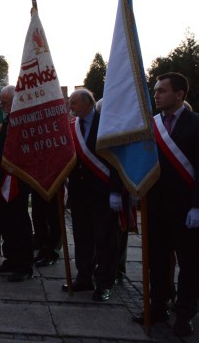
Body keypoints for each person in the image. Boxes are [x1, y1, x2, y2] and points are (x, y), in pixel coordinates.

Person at [132, 72, 199, 337]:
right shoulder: (151, 125)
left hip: (186, 210)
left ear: (180, 94)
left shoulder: (195, 124)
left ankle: (184, 314)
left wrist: (197, 206)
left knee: (190, 265)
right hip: (155, 207)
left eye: (162, 91)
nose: (156, 95)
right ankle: (157, 306)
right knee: (156, 262)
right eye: (156, 90)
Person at [64, 88, 122, 302]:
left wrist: (116, 191)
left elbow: (116, 160)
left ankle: (105, 282)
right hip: (80, 194)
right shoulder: (73, 126)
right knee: (82, 237)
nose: (70, 107)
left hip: (103, 193)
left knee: (105, 239)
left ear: (88, 103)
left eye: (74, 103)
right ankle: (84, 277)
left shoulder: (106, 124)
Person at [0, 85, 34, 282]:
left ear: (15, 100)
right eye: (0, 101)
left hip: (16, 181)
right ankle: (11, 258)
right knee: (7, 223)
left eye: (4, 102)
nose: (1, 105)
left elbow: (10, 152)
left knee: (19, 224)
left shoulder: (20, 121)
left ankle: (24, 265)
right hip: (2, 180)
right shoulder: (8, 119)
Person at [31, 192, 61, 267]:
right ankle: (43, 249)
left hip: (54, 185)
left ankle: (51, 252)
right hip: (38, 184)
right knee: (38, 215)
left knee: (53, 216)